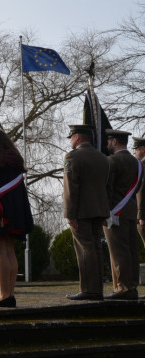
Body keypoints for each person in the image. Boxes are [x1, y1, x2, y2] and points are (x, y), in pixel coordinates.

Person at [0, 129, 34, 307]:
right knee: (10, 252)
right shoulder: (15, 164)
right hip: (15, 214)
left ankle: (4, 295)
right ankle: (10, 293)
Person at [62, 124, 110, 301]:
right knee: (96, 248)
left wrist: (69, 213)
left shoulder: (73, 157)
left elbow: (70, 188)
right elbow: (107, 187)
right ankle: (97, 289)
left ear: (78, 138)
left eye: (71, 137)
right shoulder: (103, 158)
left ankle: (89, 290)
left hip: (81, 211)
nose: (71, 141)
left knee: (85, 249)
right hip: (99, 210)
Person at [102, 129, 141, 300]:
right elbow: (138, 187)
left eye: (109, 140)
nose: (107, 144)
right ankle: (131, 286)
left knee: (119, 252)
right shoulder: (138, 163)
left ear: (115, 141)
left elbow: (107, 188)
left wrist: (105, 211)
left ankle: (123, 288)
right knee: (132, 251)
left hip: (114, 213)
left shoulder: (111, 161)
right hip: (131, 211)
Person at [134, 136, 145, 249]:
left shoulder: (142, 165)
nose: (135, 152)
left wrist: (141, 215)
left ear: (143, 150)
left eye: (136, 149)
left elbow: (141, 190)